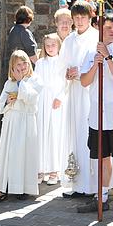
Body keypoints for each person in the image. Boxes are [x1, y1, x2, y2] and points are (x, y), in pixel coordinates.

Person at [78, 14, 113, 220]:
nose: (111, 31)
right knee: (102, 158)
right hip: (97, 114)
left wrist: (109, 58)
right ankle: (101, 197)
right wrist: (95, 63)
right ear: (99, 29)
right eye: (107, 27)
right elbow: (84, 82)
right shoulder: (89, 51)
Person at [0, 50, 42, 203]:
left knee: (23, 153)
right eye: (18, 64)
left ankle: (23, 188)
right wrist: (7, 101)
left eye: (25, 62)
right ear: (12, 67)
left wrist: (21, 83)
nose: (22, 66)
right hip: (11, 121)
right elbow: (1, 102)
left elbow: (31, 99)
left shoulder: (35, 80)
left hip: (26, 121)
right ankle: (3, 188)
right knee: (8, 154)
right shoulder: (9, 82)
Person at [58, 0, 99, 198]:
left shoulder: (96, 37)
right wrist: (66, 73)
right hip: (74, 93)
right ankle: (77, 183)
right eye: (76, 18)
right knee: (75, 136)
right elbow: (62, 64)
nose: (80, 21)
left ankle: (92, 185)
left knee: (88, 135)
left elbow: (99, 65)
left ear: (89, 17)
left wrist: (81, 71)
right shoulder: (69, 40)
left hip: (90, 93)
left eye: (83, 17)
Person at [34, 34, 66, 185]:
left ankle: (54, 170)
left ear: (58, 46)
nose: (50, 48)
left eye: (53, 45)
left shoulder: (62, 62)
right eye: (47, 46)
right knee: (41, 133)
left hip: (56, 101)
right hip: (42, 100)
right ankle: (40, 168)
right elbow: (36, 81)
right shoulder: (40, 63)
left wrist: (59, 97)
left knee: (54, 134)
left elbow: (65, 82)